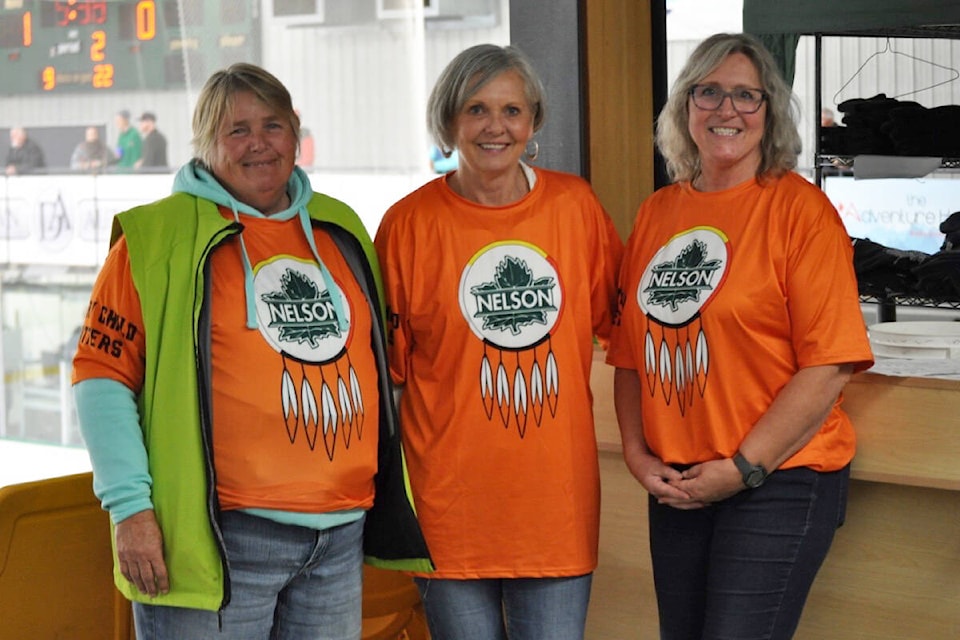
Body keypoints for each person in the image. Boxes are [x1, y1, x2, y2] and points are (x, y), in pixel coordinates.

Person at [72, 62, 431, 639]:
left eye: (273, 125)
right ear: (206, 142)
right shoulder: (154, 236)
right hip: (219, 536)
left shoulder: (340, 227)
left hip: (339, 537)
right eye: (237, 130)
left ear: (295, 132)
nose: (259, 144)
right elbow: (100, 378)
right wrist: (130, 509)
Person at [606, 33, 874, 640]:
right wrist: (637, 453)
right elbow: (630, 356)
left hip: (777, 478)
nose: (727, 110)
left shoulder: (801, 213)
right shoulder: (657, 214)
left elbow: (828, 365)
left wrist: (745, 467)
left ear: (770, 112)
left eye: (746, 96)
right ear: (685, 106)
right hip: (677, 480)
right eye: (709, 92)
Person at [375, 44, 623, 640]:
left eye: (512, 110)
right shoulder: (407, 224)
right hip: (448, 507)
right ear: (448, 121)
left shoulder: (575, 207)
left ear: (533, 121)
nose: (495, 127)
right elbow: (390, 377)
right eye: (476, 109)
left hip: (554, 507)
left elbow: (625, 330)